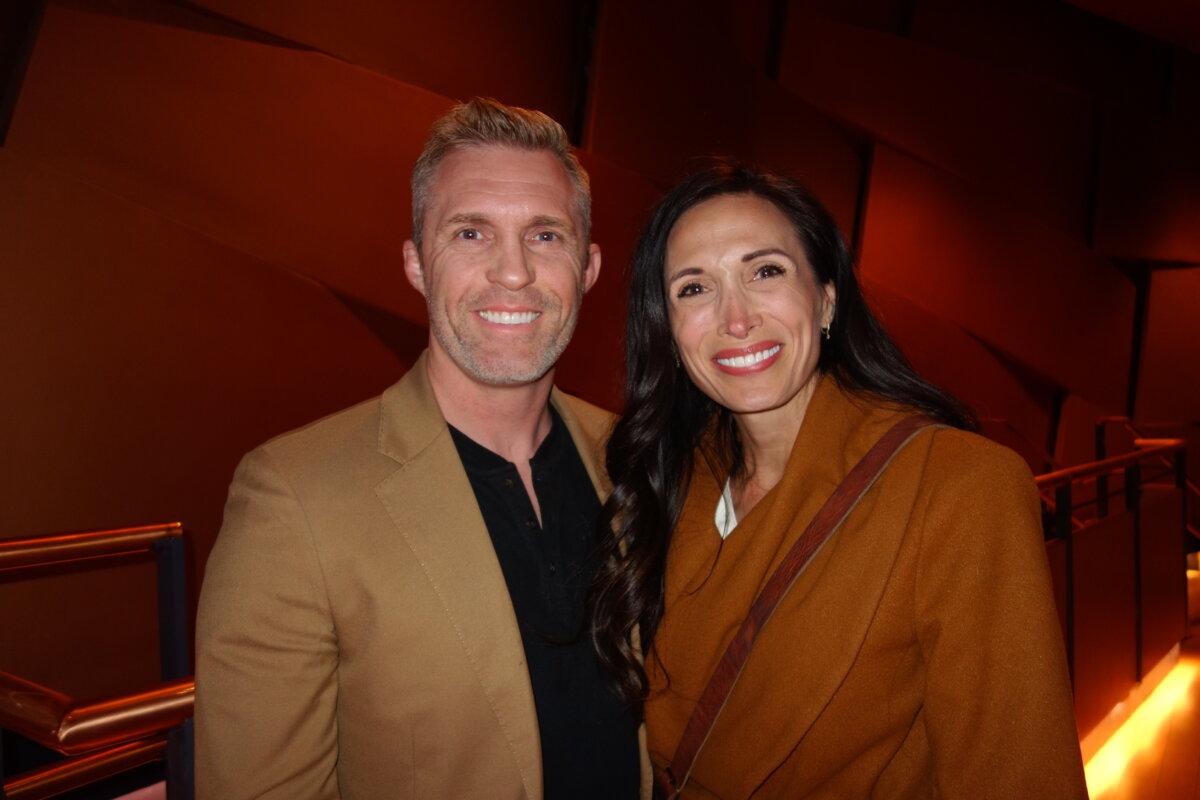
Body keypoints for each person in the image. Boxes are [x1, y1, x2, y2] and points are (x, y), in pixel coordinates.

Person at [589, 161, 1087, 798]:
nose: (734, 318)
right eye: (694, 288)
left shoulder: (958, 486)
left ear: (826, 298)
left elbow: (1019, 778)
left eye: (765, 271)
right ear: (668, 328)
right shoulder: (669, 482)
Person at [196, 98, 648, 799]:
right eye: (470, 233)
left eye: (545, 236)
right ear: (416, 264)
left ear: (587, 268)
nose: (514, 273)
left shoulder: (633, 455)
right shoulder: (292, 496)